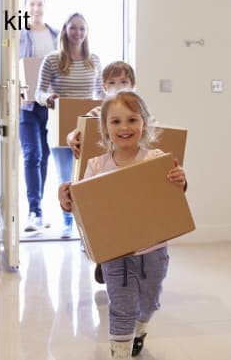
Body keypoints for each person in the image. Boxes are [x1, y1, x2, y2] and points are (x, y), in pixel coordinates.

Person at [59, 91, 187, 359]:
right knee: (121, 306)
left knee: (149, 302)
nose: (124, 127)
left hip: (154, 249)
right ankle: (120, 352)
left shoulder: (156, 159)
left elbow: (173, 197)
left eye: (132, 119)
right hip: (115, 254)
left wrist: (180, 181)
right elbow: (84, 209)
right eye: (115, 122)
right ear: (105, 129)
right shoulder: (96, 166)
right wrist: (66, 200)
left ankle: (141, 328)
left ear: (144, 124)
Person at [65, 60, 137, 283]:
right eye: (112, 83)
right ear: (104, 88)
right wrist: (71, 137)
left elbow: (154, 133)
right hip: (105, 176)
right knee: (106, 222)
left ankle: (127, 266)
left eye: (123, 82)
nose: (118, 87)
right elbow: (79, 129)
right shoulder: (99, 111)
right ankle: (103, 261)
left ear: (133, 85)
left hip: (130, 177)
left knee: (128, 222)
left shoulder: (139, 111)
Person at [35, 12, 104, 238]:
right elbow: (39, 92)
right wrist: (48, 98)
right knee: (66, 177)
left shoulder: (93, 60)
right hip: (61, 128)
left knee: (88, 178)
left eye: (82, 28)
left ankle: (85, 228)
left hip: (89, 129)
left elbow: (101, 93)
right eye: (73, 28)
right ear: (65, 30)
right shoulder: (53, 60)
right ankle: (67, 222)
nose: (78, 33)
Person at [19, 0, 59, 232]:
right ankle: (34, 211)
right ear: (26, 7)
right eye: (32, 4)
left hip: (50, 104)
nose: (36, 8)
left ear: (45, 6)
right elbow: (13, 63)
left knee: (45, 155)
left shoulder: (55, 35)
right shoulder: (19, 34)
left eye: (40, 4)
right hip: (27, 105)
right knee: (31, 154)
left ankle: (39, 208)